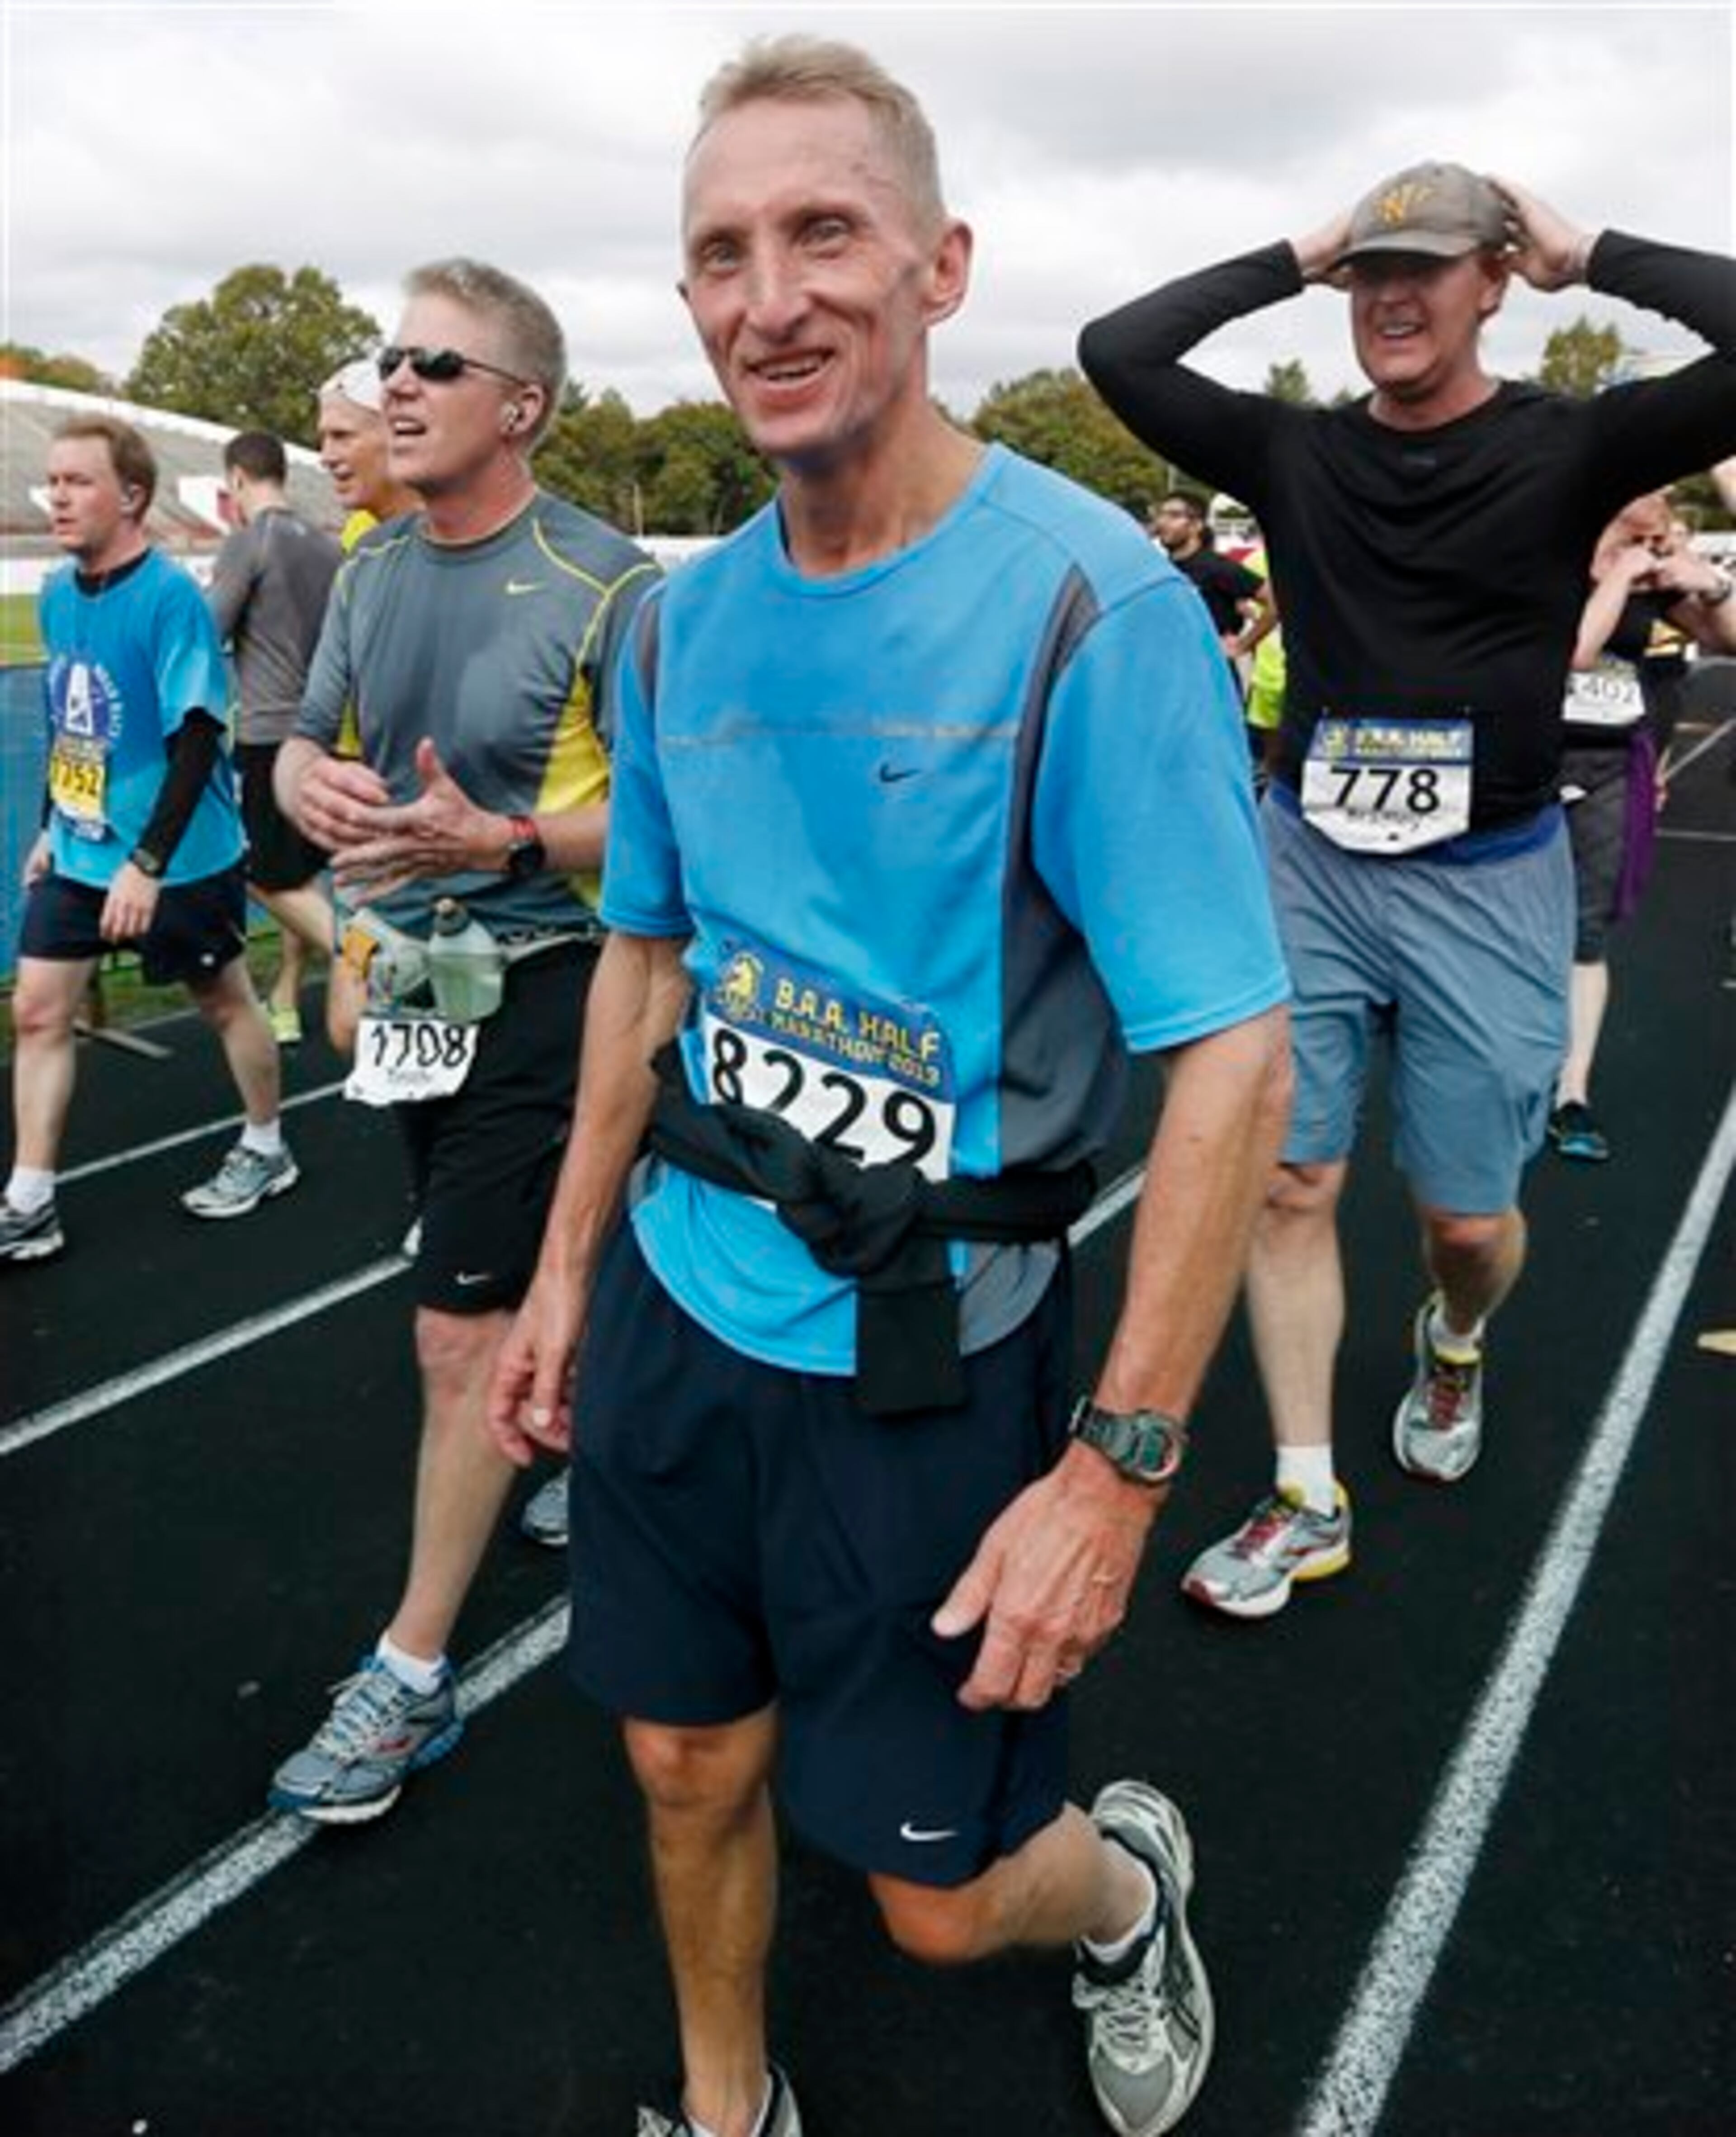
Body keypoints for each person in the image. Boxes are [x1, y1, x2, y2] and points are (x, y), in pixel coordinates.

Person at [488, 37, 1290, 2137]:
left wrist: (1117, 1473)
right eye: (722, 252)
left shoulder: (1085, 606)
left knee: (935, 1904)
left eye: (823, 231)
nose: (771, 295)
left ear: (939, 265)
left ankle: (1120, 1886)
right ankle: (728, 2101)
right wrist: (569, 1269)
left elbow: (1232, 1044)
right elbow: (644, 955)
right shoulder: (673, 632)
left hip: (937, 1360)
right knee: (679, 1761)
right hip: (687, 1291)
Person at [1080, 161, 1736, 1617]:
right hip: (1304, 864)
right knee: (1293, 1179)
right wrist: (1297, 246)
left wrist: (1595, 251)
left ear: (1490, 281)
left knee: (1460, 1217)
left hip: (1487, 875)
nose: (1388, 294)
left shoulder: (1569, 447)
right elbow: (1114, 351)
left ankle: (1453, 1335)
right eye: (1368, 271)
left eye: (1422, 267)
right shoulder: (1295, 453)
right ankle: (1303, 1490)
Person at [267, 259, 657, 1820]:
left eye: (438, 361)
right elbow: (313, 745)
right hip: (424, 981)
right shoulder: (369, 570)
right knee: (505, 1275)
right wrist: (309, 796)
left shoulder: (614, 585)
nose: (399, 384)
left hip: (562, 990)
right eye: (392, 358)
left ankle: (410, 1676)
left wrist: (493, 840)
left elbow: (665, 843)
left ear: (522, 407)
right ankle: (603, 1416)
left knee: (455, 1331)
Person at [1, 417, 298, 1265]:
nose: (58, 496)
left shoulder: (169, 597)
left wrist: (147, 863)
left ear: (131, 496)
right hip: (82, 851)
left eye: (78, 482)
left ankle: (267, 1144)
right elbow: (70, 725)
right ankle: (30, 1199)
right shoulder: (60, 594)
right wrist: (53, 830)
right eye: (51, 481)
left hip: (179, 859)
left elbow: (199, 733)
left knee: (223, 1002)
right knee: (38, 1011)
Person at [1551, 491, 1736, 1160]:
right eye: (1657, 486)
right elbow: (1574, 650)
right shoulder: (1549, 549)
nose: (1670, 500)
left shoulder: (1653, 563)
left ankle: (1572, 1093)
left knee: (1587, 930)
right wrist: (1623, 573)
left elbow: (1729, 637)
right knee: (1503, 922)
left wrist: (1711, 583)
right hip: (1527, 760)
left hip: (1609, 765)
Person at [207, 430, 343, 1045]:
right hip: (326, 730)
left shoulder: (248, 542)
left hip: (269, 734)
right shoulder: (325, 544)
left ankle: (369, 957)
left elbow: (207, 630)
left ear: (237, 479)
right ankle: (290, 995)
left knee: (256, 868)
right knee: (302, 872)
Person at [313, 361, 423, 1056]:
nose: (325, 454)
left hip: (439, 823)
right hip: (370, 806)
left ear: (396, 431)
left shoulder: (454, 533)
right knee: (354, 1027)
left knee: (368, 1025)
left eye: (341, 434)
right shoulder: (358, 538)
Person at [1147, 492, 1274, 689]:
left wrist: (1243, 645)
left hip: (1212, 683)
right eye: (1161, 514)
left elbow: (1277, 602)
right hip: (1172, 678)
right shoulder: (1162, 568)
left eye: (1174, 515)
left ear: (1197, 525)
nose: (1163, 522)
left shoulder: (1217, 567)